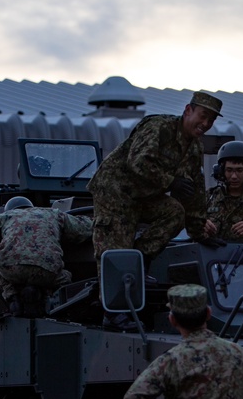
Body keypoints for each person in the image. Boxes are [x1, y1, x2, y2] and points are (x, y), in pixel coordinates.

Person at [87, 91, 223, 270]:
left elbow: (195, 192)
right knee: (116, 256)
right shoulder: (159, 127)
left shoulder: (195, 147)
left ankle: (140, 258)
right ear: (188, 110)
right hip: (115, 193)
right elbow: (138, 162)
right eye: (203, 116)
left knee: (174, 213)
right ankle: (116, 279)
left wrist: (200, 233)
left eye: (211, 120)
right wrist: (171, 182)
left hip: (144, 196)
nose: (205, 124)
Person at [0, 196, 92, 316]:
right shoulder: (53, 213)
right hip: (46, 270)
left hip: (12, 270)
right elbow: (84, 229)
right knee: (64, 277)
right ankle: (51, 297)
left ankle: (12, 295)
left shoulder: (3, 217)